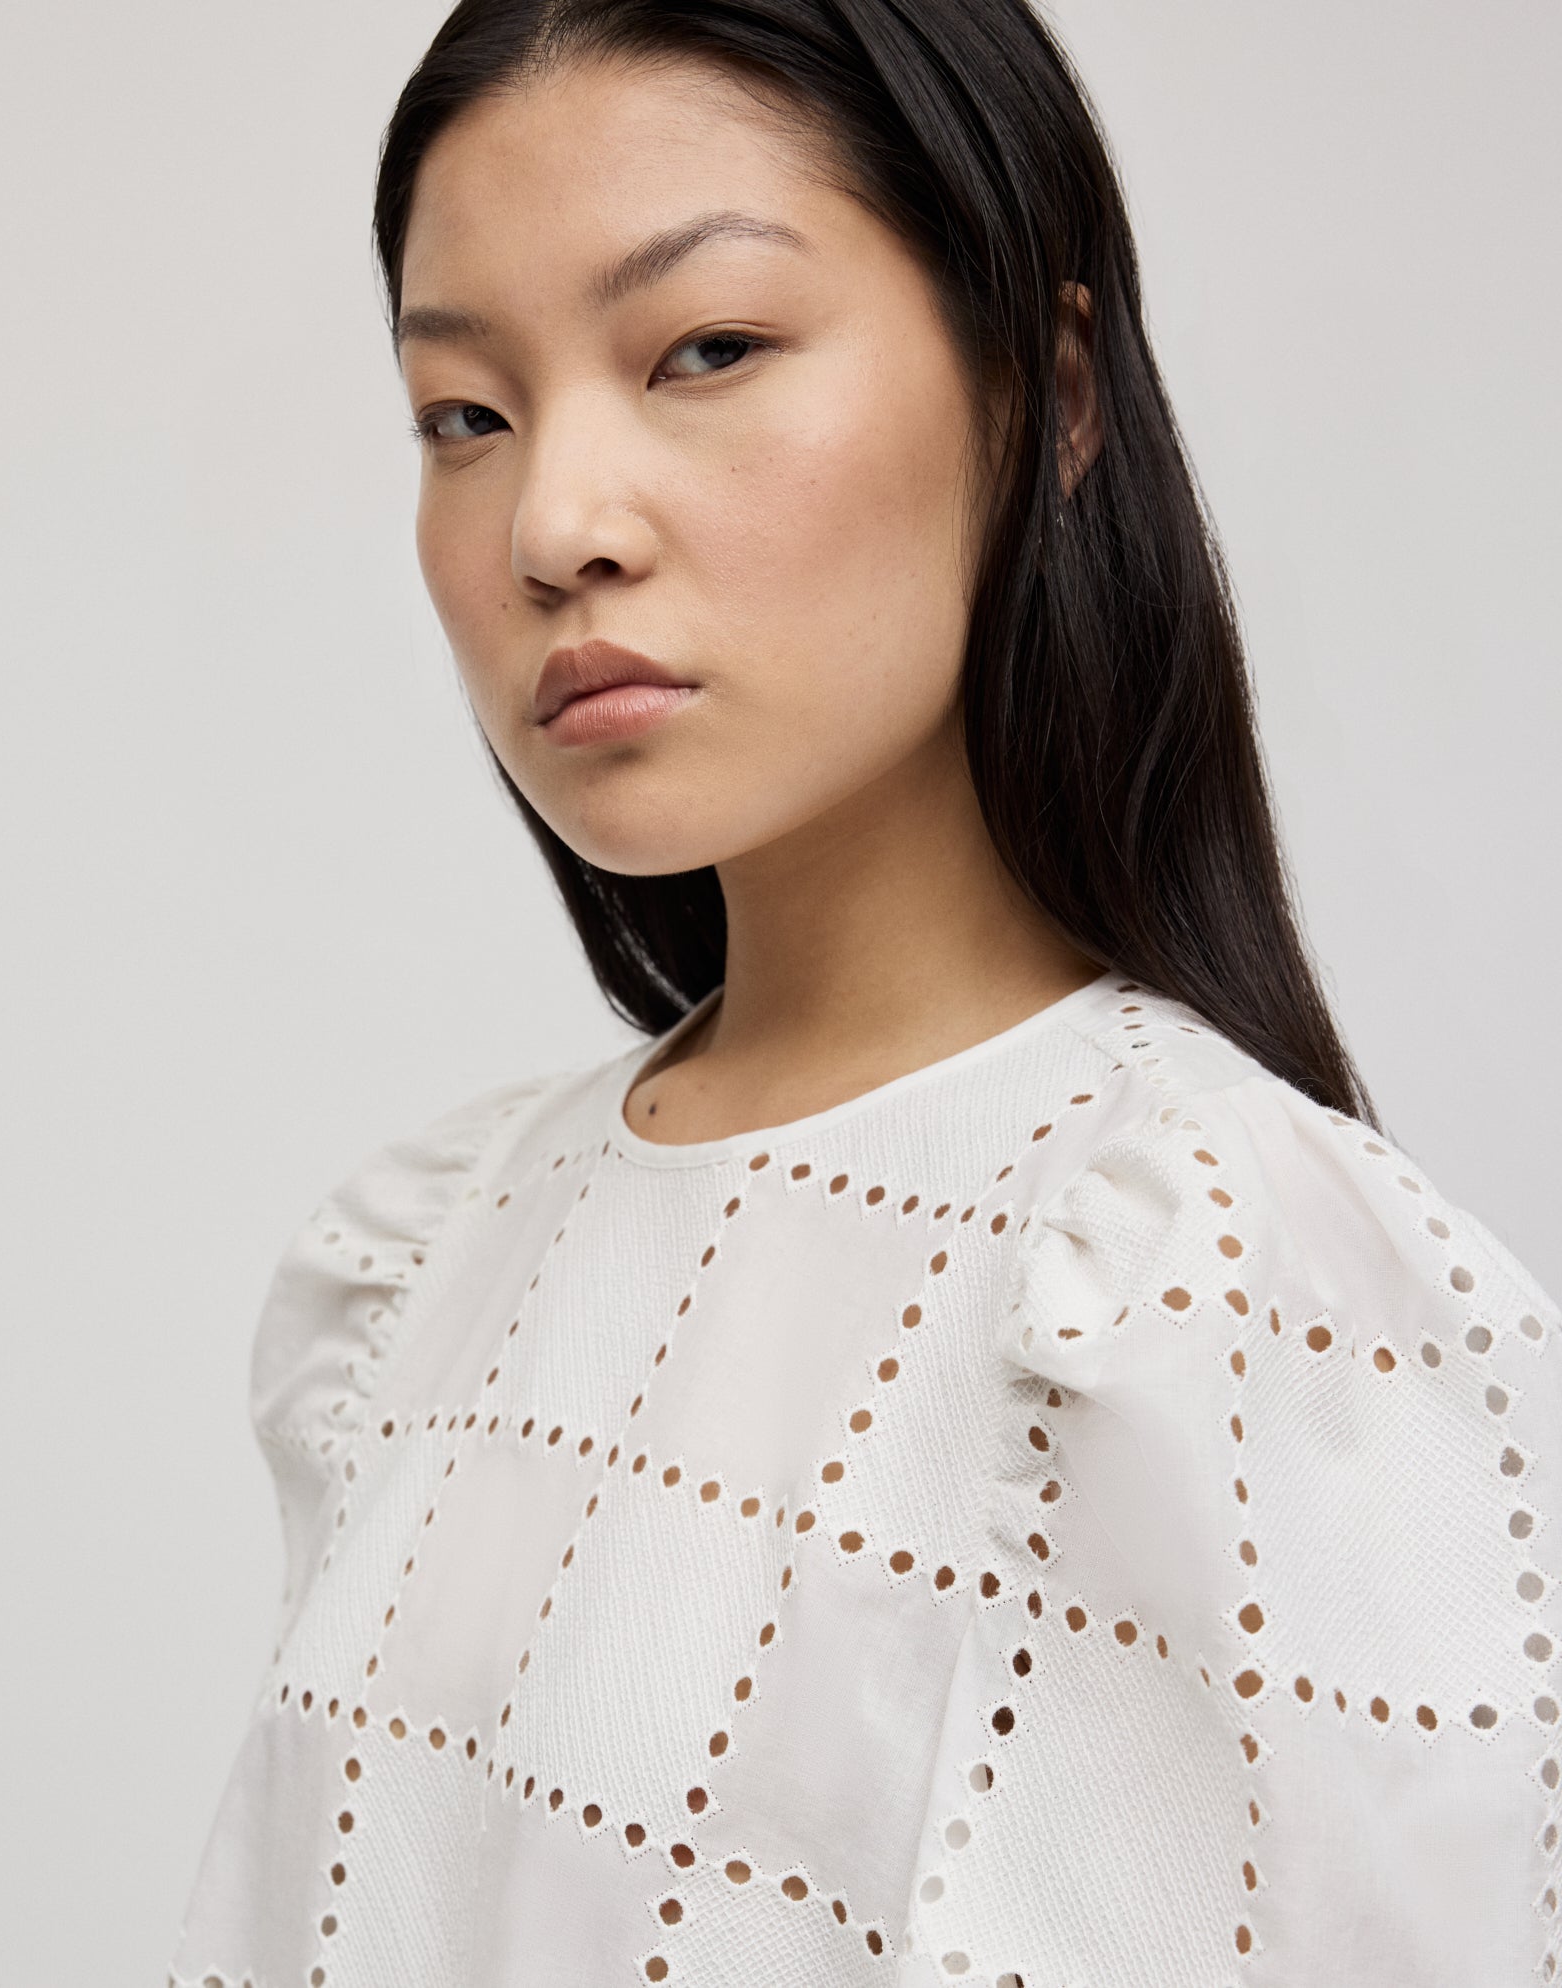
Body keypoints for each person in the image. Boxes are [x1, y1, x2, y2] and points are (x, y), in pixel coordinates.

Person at [168, 1, 1562, 1982]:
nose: (555, 525)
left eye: (706, 349)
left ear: (1049, 394)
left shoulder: (1203, 1282)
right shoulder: (419, 1264)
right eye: (463, 414)